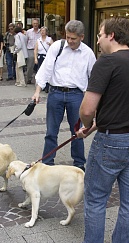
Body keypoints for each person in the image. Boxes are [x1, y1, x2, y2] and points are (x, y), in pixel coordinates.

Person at [74, 17, 129, 243]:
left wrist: (86, 122)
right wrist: (95, 125)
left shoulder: (106, 62)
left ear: (112, 36)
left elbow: (87, 108)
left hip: (112, 142)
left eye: (99, 34)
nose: (96, 39)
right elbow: (121, 107)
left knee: (95, 199)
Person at [32, 20, 96, 171]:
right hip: (55, 93)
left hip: (76, 95)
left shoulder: (88, 53)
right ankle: (47, 164)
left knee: (78, 132)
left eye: (73, 38)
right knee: (51, 131)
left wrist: (91, 102)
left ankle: (79, 164)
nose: (70, 41)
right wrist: (37, 91)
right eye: (68, 37)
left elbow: (93, 79)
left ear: (82, 37)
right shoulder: (57, 46)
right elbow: (46, 69)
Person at [34, 26, 53, 93]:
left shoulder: (49, 39)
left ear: (46, 32)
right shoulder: (38, 40)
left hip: (47, 57)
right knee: (40, 71)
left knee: (47, 71)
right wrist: (35, 58)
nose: (42, 32)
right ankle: (40, 86)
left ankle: (47, 87)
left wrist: (50, 44)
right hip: (40, 57)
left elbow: (54, 48)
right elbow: (35, 49)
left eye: (44, 30)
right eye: (41, 31)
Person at [26, 19, 41, 84]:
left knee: (40, 65)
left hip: (39, 50)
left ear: (38, 24)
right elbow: (26, 41)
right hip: (31, 50)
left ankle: (39, 79)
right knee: (30, 65)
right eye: (34, 23)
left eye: (36, 23)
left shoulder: (41, 32)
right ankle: (29, 78)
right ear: (32, 24)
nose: (35, 25)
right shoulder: (29, 32)